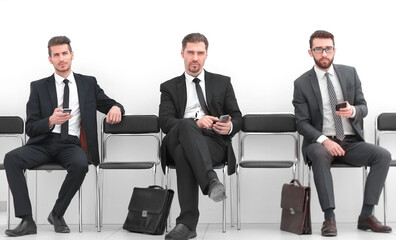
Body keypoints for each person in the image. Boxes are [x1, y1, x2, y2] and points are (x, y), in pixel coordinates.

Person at [4, 36, 124, 236]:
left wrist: (116, 107)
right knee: (11, 158)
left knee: (80, 165)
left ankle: (57, 214)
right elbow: (31, 127)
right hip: (42, 143)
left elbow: (109, 103)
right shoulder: (39, 86)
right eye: (56, 55)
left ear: (72, 55)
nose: (61, 58)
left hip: (71, 144)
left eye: (64, 53)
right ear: (50, 59)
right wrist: (50, 121)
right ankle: (26, 220)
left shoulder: (87, 83)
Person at [292, 30, 392, 236]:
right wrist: (324, 141)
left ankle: (366, 215)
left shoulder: (350, 73)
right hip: (319, 142)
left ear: (334, 50)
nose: (324, 53)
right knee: (320, 154)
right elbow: (301, 123)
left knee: (383, 155)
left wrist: (353, 111)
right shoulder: (301, 83)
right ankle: (329, 218)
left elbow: (363, 107)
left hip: (350, 141)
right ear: (310, 52)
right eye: (318, 49)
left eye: (328, 48)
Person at [159, 33, 242, 240]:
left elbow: (239, 117)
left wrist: (229, 127)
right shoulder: (169, 87)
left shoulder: (222, 83)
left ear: (206, 55)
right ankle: (211, 180)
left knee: (183, 153)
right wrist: (195, 123)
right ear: (182, 54)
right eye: (190, 52)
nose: (195, 57)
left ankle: (187, 224)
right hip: (178, 136)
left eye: (200, 53)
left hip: (212, 141)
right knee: (186, 126)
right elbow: (166, 122)